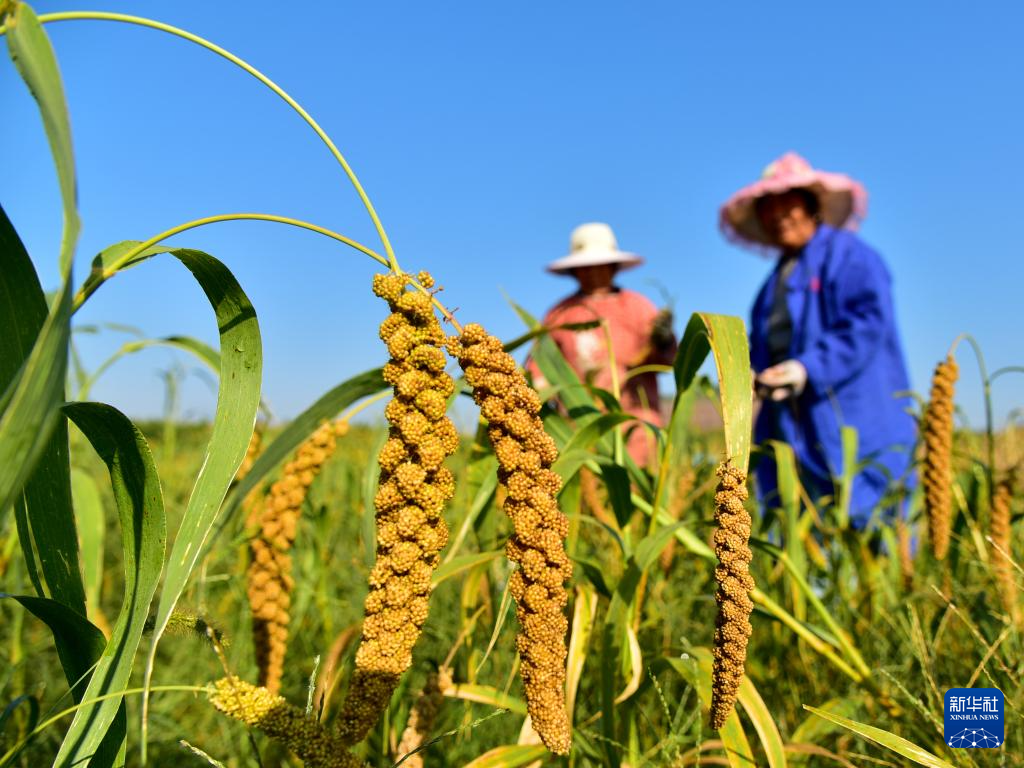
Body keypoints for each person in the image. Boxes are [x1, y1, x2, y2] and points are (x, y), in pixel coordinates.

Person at [719, 152, 915, 528]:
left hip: (852, 416)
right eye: (768, 210)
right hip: (790, 426)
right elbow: (763, 344)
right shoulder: (772, 284)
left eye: (787, 206)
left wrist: (807, 367)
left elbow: (867, 323)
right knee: (803, 525)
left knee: (871, 519)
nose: (779, 217)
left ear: (811, 207)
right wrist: (752, 376)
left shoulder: (851, 256)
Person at [527, 222, 676, 467]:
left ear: (613, 266)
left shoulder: (639, 307)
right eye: (585, 267)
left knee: (637, 485)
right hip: (580, 431)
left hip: (637, 427)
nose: (593, 273)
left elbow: (668, 361)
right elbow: (540, 368)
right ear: (574, 271)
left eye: (600, 265)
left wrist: (664, 341)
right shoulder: (560, 314)